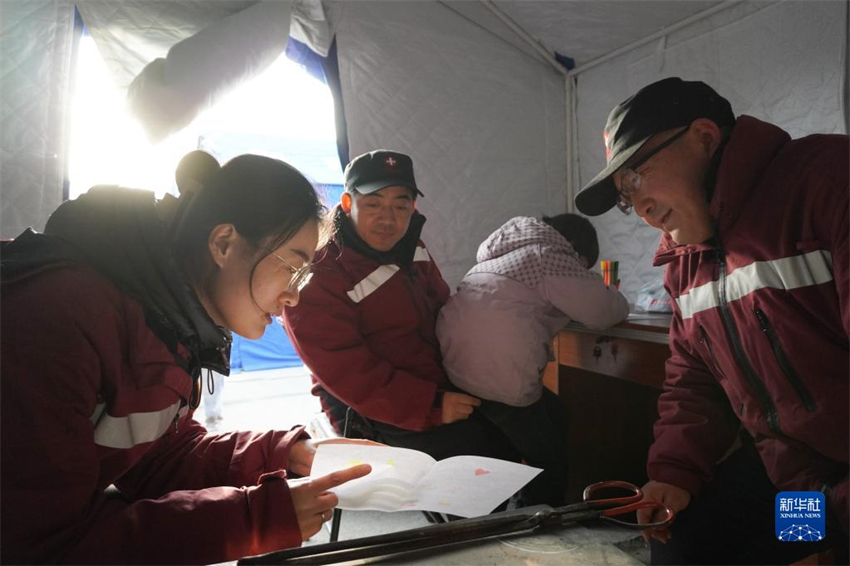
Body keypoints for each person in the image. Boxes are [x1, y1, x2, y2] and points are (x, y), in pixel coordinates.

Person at [0, 151, 373, 565]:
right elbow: (38, 546)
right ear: (223, 243)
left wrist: (284, 452)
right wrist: (253, 518)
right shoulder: (58, 320)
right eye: (292, 268)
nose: (294, 296)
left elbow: (156, 457)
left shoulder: (166, 323)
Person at [574, 77, 848, 564]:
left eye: (635, 177)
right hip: (799, 480)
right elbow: (694, 379)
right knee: (680, 547)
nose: (640, 208)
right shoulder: (685, 263)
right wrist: (674, 472)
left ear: (704, 137)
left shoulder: (828, 180)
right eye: (625, 198)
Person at [283, 149, 522, 467]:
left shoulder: (412, 247)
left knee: (531, 421)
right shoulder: (320, 269)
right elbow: (344, 369)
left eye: (400, 205)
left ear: (413, 208)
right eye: (373, 204)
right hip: (372, 405)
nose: (388, 219)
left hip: (436, 383)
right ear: (347, 203)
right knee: (485, 460)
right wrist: (431, 405)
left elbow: (446, 313)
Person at [436, 213, 629, 506]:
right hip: (499, 378)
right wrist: (612, 294)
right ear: (575, 250)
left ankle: (516, 498)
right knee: (549, 459)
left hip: (457, 371)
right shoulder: (548, 255)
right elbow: (603, 311)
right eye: (582, 265)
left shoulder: (497, 256)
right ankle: (537, 520)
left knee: (555, 414)